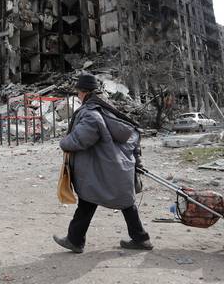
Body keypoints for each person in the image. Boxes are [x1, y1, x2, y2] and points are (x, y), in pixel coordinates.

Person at [53, 72, 152, 253]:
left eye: (78, 92)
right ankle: (140, 238)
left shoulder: (91, 114)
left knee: (90, 201)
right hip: (113, 166)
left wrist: (63, 142)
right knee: (111, 201)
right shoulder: (104, 108)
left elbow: (80, 139)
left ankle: (75, 240)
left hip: (104, 168)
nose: (77, 95)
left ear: (82, 92)